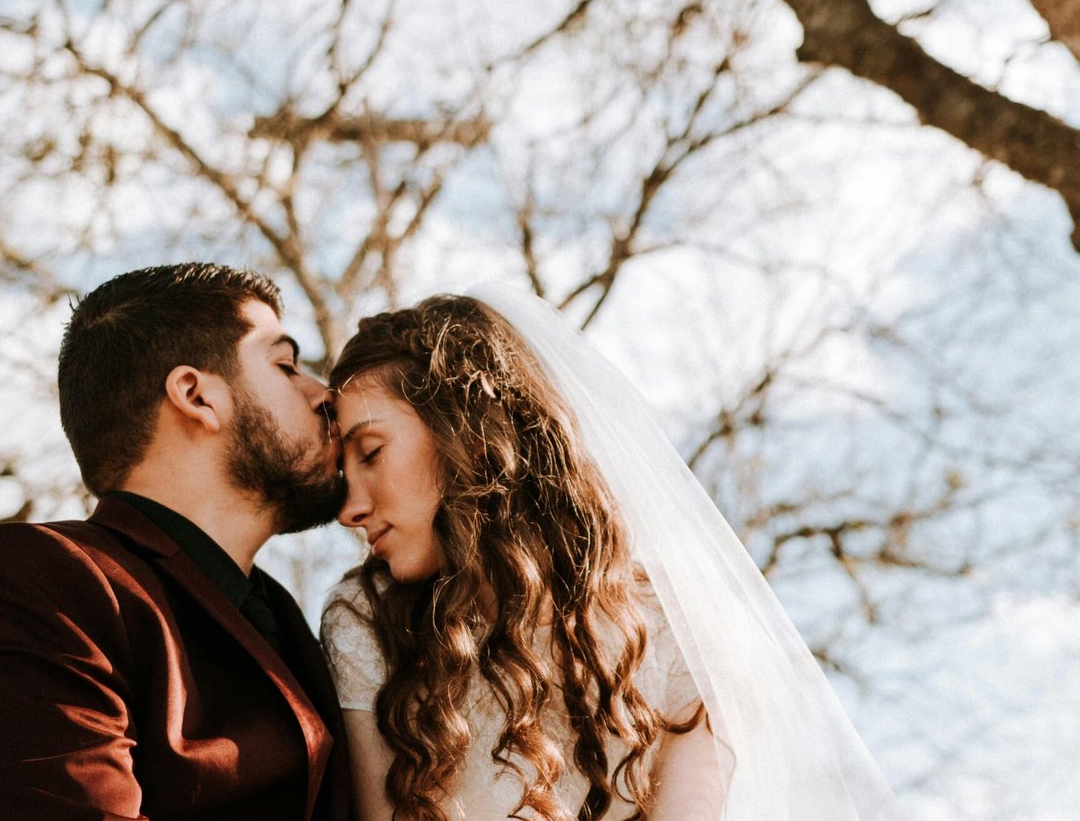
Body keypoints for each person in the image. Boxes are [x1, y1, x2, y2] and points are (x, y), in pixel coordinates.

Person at [320, 287, 897, 821]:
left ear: (468, 434)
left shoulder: (674, 625)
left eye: (370, 452)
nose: (349, 508)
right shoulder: (366, 620)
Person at [0, 262, 355, 820]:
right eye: (285, 366)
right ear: (196, 395)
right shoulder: (36, 582)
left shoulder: (293, 619)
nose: (324, 394)